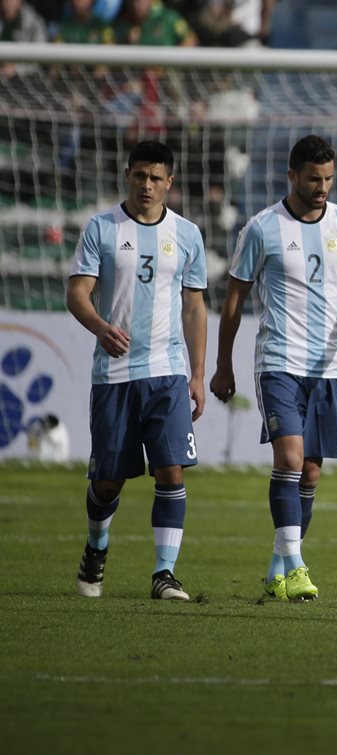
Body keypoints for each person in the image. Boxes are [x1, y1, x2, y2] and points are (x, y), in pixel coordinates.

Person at [210, 135, 337, 603]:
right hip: (279, 362)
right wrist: (223, 365)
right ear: (292, 176)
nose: (322, 187)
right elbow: (234, 303)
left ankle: (278, 565)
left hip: (328, 366)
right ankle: (296, 567)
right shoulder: (261, 228)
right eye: (314, 178)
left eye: (329, 178)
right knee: (289, 460)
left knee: (310, 472)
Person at [66, 140, 208, 602]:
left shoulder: (187, 234)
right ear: (127, 175)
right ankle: (96, 545)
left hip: (167, 372)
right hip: (115, 375)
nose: (147, 185)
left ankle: (164, 574)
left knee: (172, 472)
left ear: (170, 182)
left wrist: (199, 373)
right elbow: (78, 294)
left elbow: (194, 307)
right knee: (108, 481)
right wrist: (101, 327)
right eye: (139, 175)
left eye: (156, 177)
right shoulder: (102, 228)